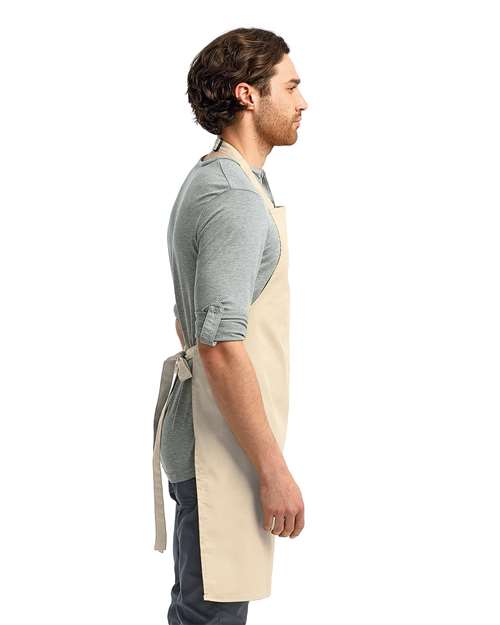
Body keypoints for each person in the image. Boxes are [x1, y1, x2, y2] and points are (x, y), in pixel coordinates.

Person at [157, 27, 308, 625]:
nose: (303, 102)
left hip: (220, 441)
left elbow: (191, 324)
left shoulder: (228, 180)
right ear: (248, 95)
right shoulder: (232, 197)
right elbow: (219, 345)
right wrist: (274, 470)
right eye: (290, 87)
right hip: (218, 452)